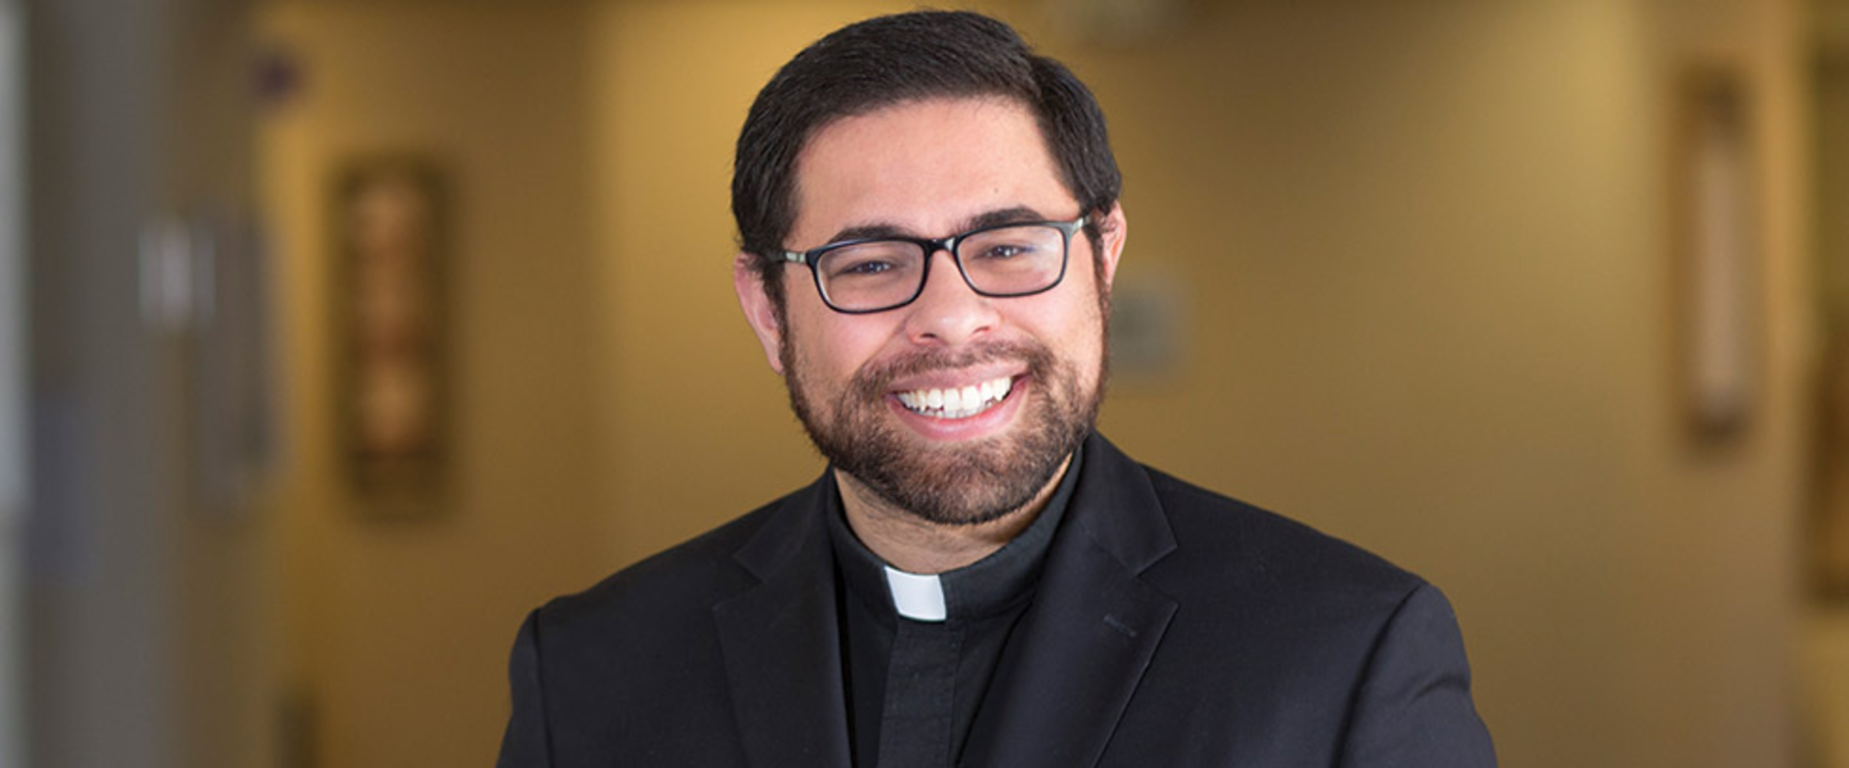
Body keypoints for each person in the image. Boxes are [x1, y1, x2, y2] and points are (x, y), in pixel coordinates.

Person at [496, 10, 1496, 767]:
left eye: (1007, 247)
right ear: (767, 307)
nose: (951, 317)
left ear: (1101, 262)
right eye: (871, 263)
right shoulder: (591, 673)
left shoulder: (1345, 655)